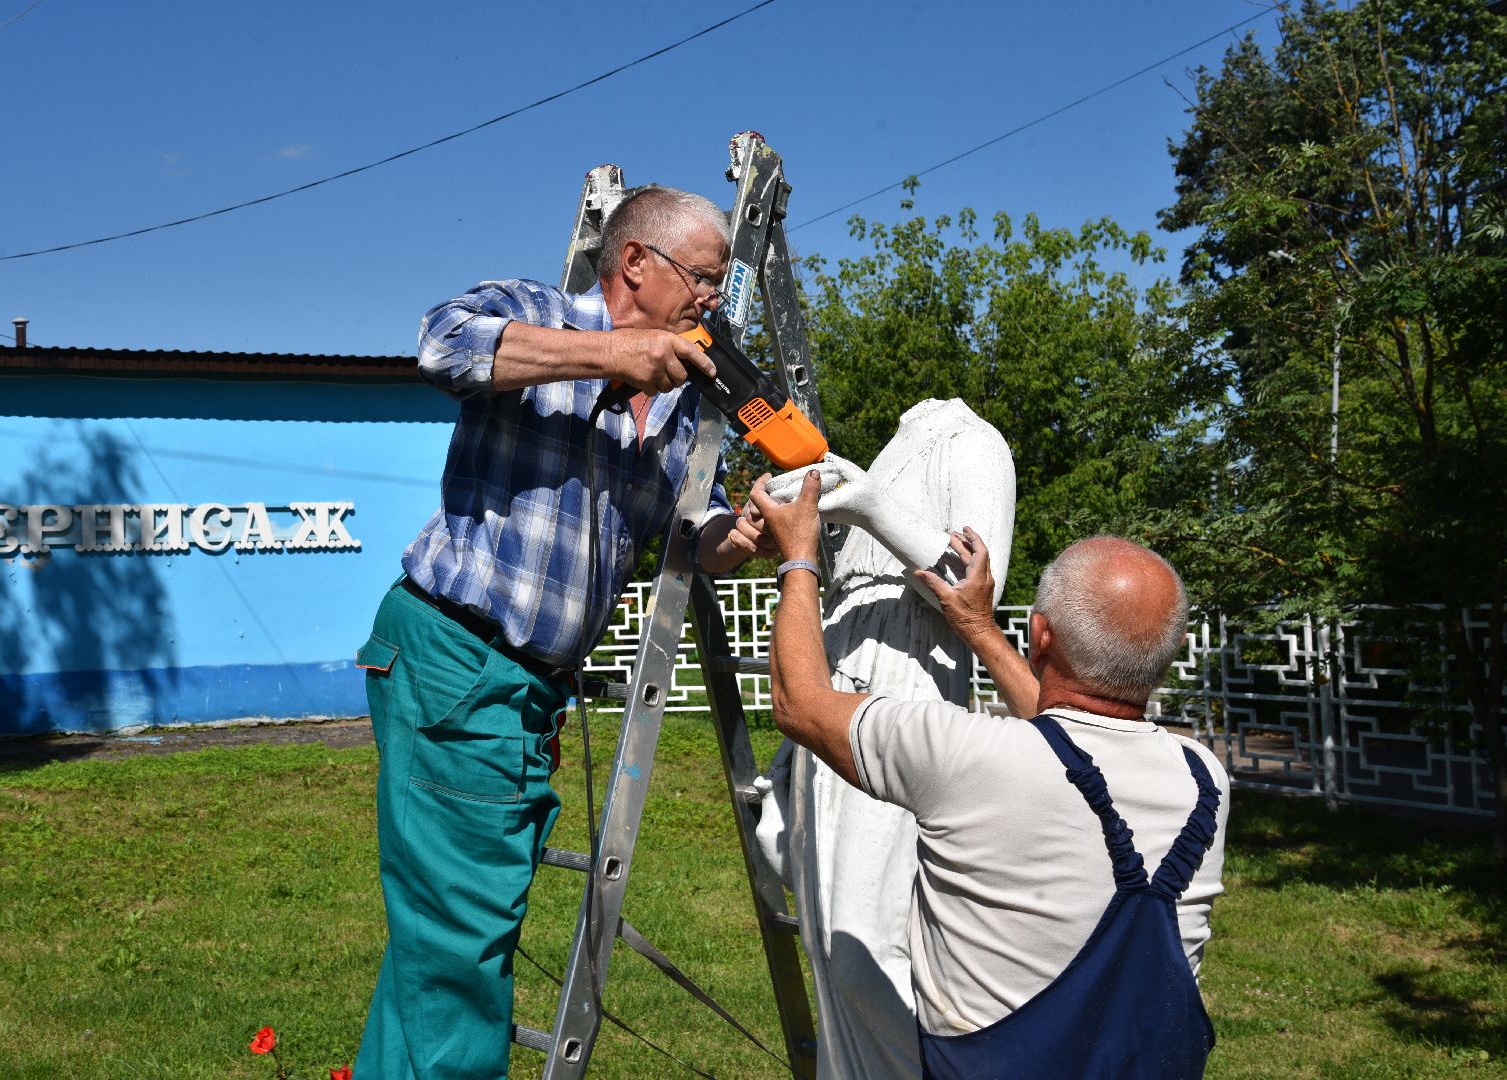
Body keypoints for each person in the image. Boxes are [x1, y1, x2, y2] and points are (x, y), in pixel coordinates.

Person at [352, 185, 772, 1079]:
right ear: (634, 264)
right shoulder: (539, 313)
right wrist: (613, 353)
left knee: (444, 942)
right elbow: (441, 342)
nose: (713, 300)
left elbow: (689, 540)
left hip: (526, 688)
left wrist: (741, 538)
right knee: (461, 948)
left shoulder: (689, 408)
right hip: (460, 656)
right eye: (704, 278)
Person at [754, 469, 1230, 1080]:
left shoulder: (965, 754)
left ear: (1041, 634)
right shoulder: (1204, 781)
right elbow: (1078, 729)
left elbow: (800, 702)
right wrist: (978, 627)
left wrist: (798, 556)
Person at [753, 400, 1016, 1079]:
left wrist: (870, 504)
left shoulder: (972, 441)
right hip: (841, 680)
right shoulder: (895, 447)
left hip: (902, 691)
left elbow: (973, 589)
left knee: (862, 947)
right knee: (823, 929)